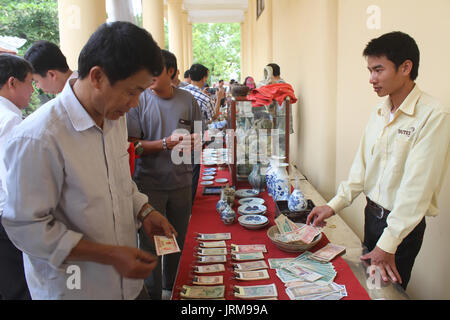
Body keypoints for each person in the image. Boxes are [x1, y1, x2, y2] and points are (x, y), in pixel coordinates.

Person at [2, 21, 176, 300]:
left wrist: (144, 211)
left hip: (129, 286)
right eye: (131, 91)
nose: (134, 104)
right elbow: (26, 227)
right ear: (97, 77)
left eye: (141, 92)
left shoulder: (113, 118)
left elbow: (120, 181)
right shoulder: (38, 137)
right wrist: (109, 255)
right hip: (78, 290)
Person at [307, 31, 450, 290]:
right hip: (372, 216)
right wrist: (333, 205)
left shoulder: (433, 115)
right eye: (370, 70)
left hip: (402, 227)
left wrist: (389, 243)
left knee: (387, 293)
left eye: (378, 70)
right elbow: (361, 167)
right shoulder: (380, 110)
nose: (372, 79)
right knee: (370, 288)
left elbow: (417, 189)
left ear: (406, 67)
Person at [127, 49, 202, 300]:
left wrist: (196, 141)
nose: (149, 79)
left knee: (177, 241)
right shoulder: (139, 101)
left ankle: (174, 289)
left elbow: (202, 136)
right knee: (151, 245)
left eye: (155, 73)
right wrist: (165, 144)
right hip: (149, 184)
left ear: (171, 72)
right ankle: (153, 294)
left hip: (181, 182)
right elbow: (133, 146)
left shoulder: (188, 100)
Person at [0, 54, 33, 300]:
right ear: (12, 82)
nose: (32, 90)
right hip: (7, 216)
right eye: (30, 82)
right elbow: (12, 177)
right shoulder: (9, 120)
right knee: (18, 286)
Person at [181, 64, 225, 201]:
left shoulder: (181, 91)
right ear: (204, 77)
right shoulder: (205, 98)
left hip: (178, 134)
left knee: (181, 167)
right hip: (196, 136)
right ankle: (190, 199)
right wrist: (219, 97)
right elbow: (214, 116)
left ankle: (182, 197)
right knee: (194, 168)